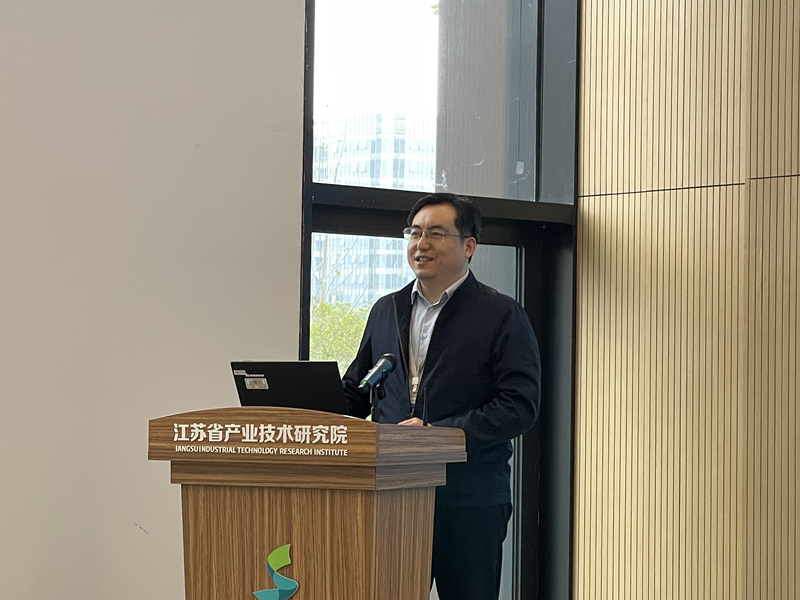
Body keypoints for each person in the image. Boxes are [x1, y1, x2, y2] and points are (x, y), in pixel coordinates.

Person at [342, 192, 541, 600]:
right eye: (414, 233)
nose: (421, 244)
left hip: (468, 500)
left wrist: (437, 434)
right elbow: (357, 392)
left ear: (469, 246)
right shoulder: (386, 309)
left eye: (435, 233)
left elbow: (519, 406)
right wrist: (294, 408)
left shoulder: (500, 314)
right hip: (393, 494)